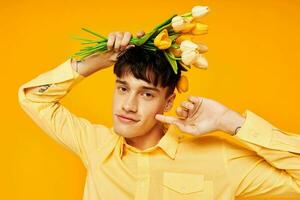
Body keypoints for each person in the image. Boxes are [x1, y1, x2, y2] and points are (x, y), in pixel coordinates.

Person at [18, 30, 300, 200]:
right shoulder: (96, 145)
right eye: (123, 88)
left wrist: (231, 121)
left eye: (147, 94)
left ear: (168, 102)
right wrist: (97, 61)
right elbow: (34, 98)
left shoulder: (219, 158)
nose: (128, 105)